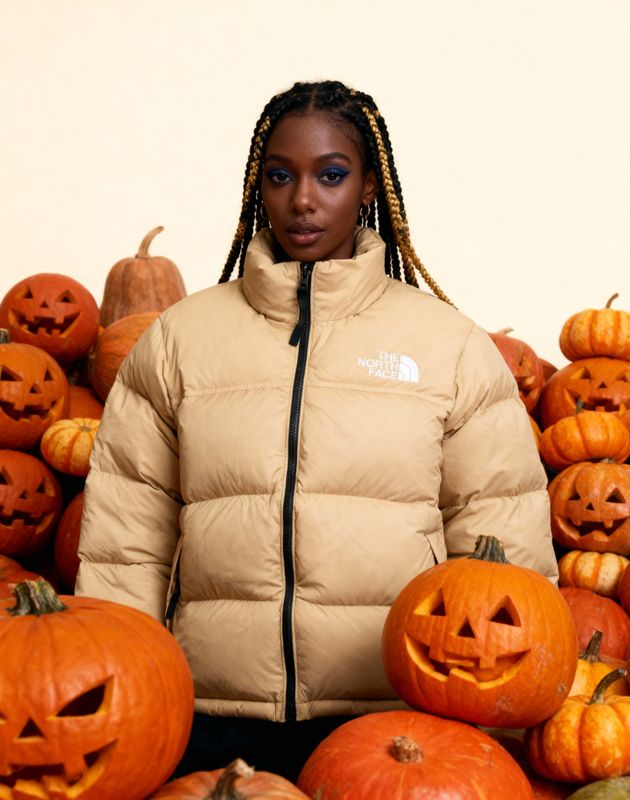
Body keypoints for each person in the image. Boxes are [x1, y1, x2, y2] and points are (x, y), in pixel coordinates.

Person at [76, 79, 558, 780]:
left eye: (331, 175)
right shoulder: (182, 337)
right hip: (208, 716)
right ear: (259, 187)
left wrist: (502, 711)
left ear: (368, 187)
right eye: (281, 176)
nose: (303, 200)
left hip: (396, 723)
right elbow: (128, 539)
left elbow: (499, 532)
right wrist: (118, 693)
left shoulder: (444, 343)